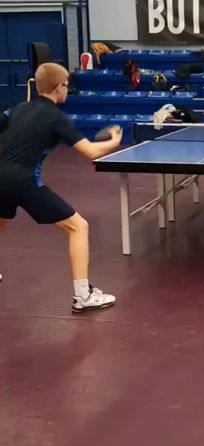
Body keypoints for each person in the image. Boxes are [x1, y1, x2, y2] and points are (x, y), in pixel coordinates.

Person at [0, 62, 123, 311]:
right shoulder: (57, 118)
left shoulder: (16, 110)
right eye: (67, 85)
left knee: (0, 219)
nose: (68, 89)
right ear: (58, 87)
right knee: (78, 227)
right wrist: (113, 142)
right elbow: (90, 152)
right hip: (24, 181)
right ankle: (83, 296)